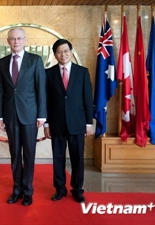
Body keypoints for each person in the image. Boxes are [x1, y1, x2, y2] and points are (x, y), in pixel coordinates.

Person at [0, 27, 47, 206]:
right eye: (12, 39)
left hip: (30, 116)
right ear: (8, 41)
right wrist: (0, 117)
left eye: (19, 38)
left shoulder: (35, 60)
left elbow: (41, 89)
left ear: (25, 40)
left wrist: (42, 115)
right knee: (15, 154)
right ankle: (16, 189)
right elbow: (0, 91)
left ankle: (28, 191)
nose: (16, 42)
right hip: (10, 116)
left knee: (29, 154)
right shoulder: (2, 63)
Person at [44, 39, 93, 203]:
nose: (63, 54)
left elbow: (87, 99)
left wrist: (88, 123)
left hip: (77, 123)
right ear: (55, 54)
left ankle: (77, 189)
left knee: (77, 158)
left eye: (65, 51)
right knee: (58, 158)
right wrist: (46, 124)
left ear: (71, 52)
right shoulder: (48, 74)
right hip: (56, 123)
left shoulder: (82, 72)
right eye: (59, 51)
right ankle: (60, 189)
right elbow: (46, 101)